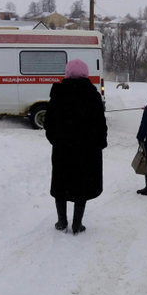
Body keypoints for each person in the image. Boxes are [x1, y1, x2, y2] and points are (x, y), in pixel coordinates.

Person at [44, 59, 108, 235]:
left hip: (62, 150)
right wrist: (98, 144)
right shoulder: (92, 95)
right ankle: (77, 224)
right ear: (86, 74)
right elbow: (101, 126)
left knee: (61, 183)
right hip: (86, 151)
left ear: (67, 73)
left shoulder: (58, 94)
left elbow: (48, 123)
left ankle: (61, 221)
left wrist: (56, 140)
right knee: (82, 185)